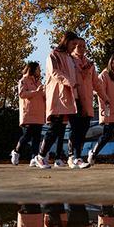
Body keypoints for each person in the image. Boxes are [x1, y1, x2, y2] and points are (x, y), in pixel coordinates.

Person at [35, 32, 80, 169]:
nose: (74, 47)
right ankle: (40, 156)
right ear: (66, 41)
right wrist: (70, 82)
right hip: (56, 97)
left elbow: (74, 76)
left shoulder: (69, 58)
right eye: (73, 44)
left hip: (67, 98)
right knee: (54, 128)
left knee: (61, 129)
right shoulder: (53, 55)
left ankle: (58, 158)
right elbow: (55, 72)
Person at [88, 54, 114, 167]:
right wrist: (105, 112)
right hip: (108, 111)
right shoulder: (104, 75)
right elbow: (100, 93)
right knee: (107, 135)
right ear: (110, 63)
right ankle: (93, 153)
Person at [68, 38, 101, 168]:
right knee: (75, 129)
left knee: (83, 130)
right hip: (74, 99)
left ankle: (77, 156)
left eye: (83, 46)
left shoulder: (90, 64)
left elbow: (96, 83)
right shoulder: (70, 61)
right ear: (74, 46)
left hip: (87, 101)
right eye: (78, 46)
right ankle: (74, 157)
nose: (81, 48)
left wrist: (104, 97)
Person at [12, 62, 46, 167]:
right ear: (32, 69)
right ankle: (16, 151)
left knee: (37, 137)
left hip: (39, 114)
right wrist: (36, 91)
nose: (40, 71)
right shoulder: (23, 81)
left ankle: (34, 157)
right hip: (29, 114)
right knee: (27, 136)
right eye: (38, 69)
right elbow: (22, 94)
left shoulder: (39, 82)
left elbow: (42, 96)